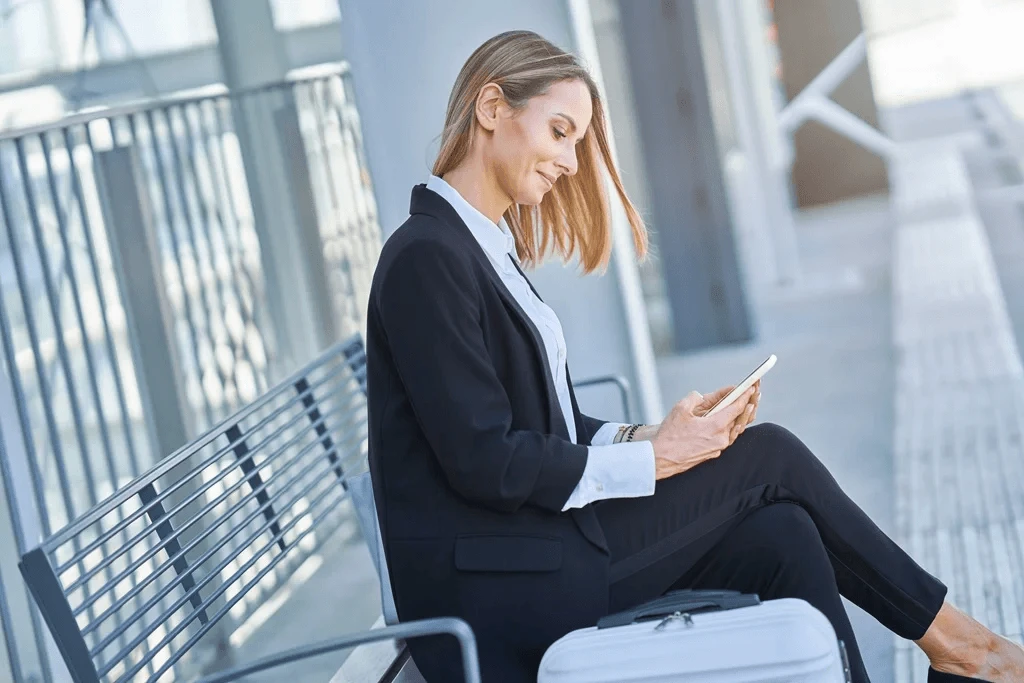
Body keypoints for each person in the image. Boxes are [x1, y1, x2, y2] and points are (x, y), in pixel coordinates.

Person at [364, 30, 1024, 683]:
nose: (570, 161)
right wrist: (658, 459)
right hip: (498, 588)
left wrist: (656, 435)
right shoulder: (427, 257)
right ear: (491, 108)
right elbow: (486, 461)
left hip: (537, 547)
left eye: (577, 141)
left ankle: (950, 653)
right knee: (770, 455)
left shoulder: (482, 246)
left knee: (785, 531)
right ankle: (967, 648)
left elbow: (543, 427)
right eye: (560, 131)